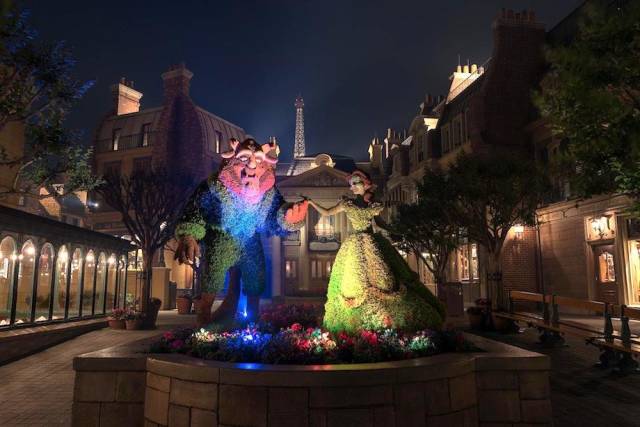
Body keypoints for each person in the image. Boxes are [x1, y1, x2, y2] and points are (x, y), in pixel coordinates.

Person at [308, 170, 444, 333]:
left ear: (365, 185)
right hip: (356, 243)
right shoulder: (347, 204)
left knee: (387, 275)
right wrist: (311, 202)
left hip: (372, 241)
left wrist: (397, 230)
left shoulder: (373, 205)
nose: (353, 187)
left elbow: (380, 223)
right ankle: (354, 319)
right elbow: (327, 212)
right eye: (351, 184)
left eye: (356, 183)